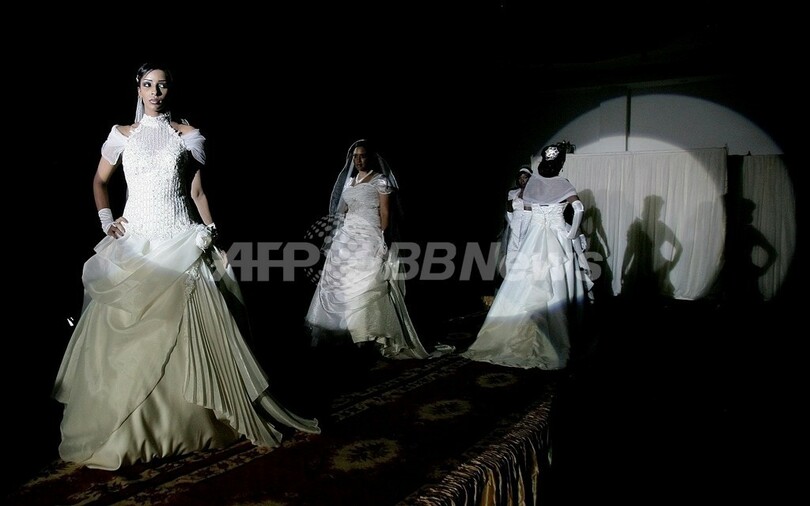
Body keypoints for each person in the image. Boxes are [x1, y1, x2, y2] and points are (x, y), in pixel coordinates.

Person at [52, 63, 320, 471]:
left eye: (162, 85)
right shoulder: (121, 134)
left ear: (170, 90)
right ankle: (133, 431)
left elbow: (196, 190)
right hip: (137, 238)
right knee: (132, 328)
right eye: (148, 84)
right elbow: (99, 181)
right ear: (138, 88)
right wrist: (107, 221)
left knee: (189, 322)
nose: (155, 92)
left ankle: (194, 423)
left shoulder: (188, 135)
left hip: (179, 236)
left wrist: (211, 232)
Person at [462, 142, 593, 370]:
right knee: (556, 283)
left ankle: (513, 333)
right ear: (561, 163)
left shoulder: (533, 185)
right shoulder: (564, 183)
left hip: (533, 237)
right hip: (557, 237)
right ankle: (554, 337)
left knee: (526, 283)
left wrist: (527, 235)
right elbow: (579, 209)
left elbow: (526, 213)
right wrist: (571, 233)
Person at [304, 139, 430, 360]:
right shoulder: (349, 182)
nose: (358, 160)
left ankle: (367, 334)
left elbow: (385, 213)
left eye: (362, 156)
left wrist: (382, 239)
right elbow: (343, 210)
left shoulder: (380, 181)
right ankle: (347, 334)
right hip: (348, 237)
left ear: (370, 157)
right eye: (355, 156)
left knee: (366, 284)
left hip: (369, 235)